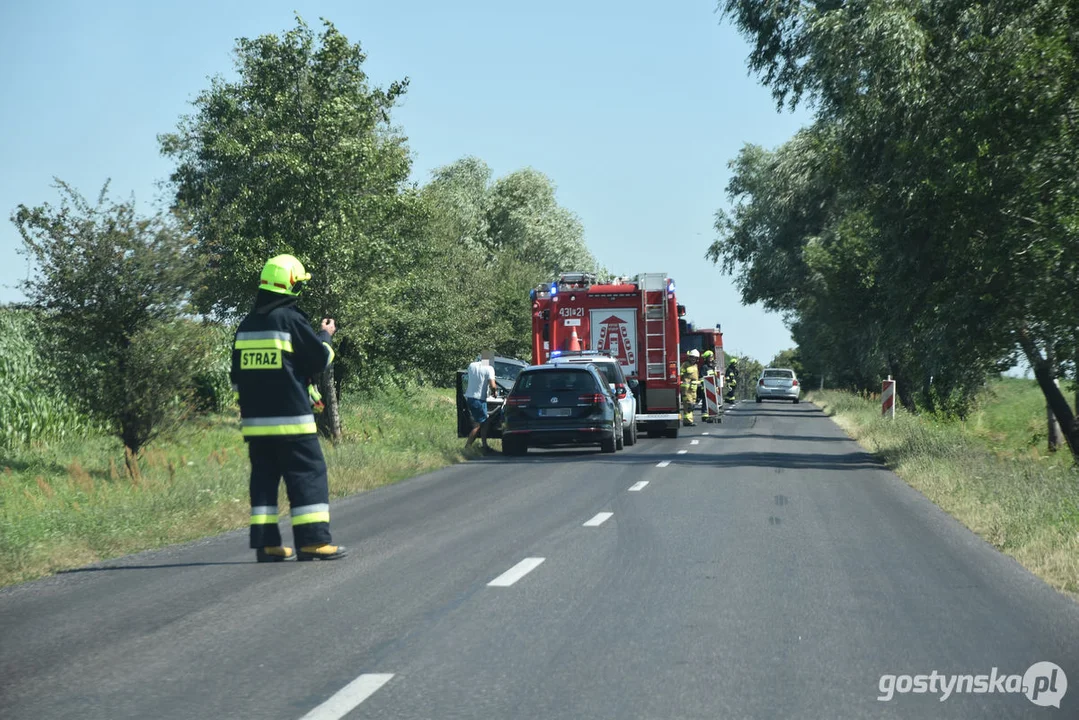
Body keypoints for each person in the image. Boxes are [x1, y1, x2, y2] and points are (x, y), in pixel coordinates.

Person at [230, 254, 347, 563]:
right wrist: (325, 336)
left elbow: (236, 379)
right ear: (291, 286)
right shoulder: (291, 320)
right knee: (308, 475)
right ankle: (313, 542)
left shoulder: (245, 325)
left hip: (256, 426)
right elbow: (318, 360)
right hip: (293, 423)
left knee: (264, 481)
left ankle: (267, 545)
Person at [464, 349, 498, 453]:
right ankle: (468, 446)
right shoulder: (489, 368)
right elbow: (492, 385)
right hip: (479, 399)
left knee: (483, 422)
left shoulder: (471, 366)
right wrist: (494, 392)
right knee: (479, 424)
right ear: (490, 360)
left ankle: (484, 445)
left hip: (469, 397)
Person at [680, 349, 700, 426]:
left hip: (693, 389)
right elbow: (681, 374)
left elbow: (696, 377)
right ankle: (688, 421)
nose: (693, 359)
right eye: (692, 357)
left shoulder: (696, 366)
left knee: (692, 405)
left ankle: (688, 420)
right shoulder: (685, 365)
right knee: (688, 404)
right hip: (686, 388)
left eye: (694, 358)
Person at [700, 350, 717, 422]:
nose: (711, 358)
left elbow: (714, 377)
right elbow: (702, 377)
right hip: (705, 387)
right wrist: (704, 385)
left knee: (712, 400)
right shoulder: (704, 367)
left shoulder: (712, 367)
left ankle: (711, 413)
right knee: (705, 401)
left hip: (712, 386)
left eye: (712, 357)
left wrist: (716, 386)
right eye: (709, 357)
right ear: (706, 358)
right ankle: (704, 414)